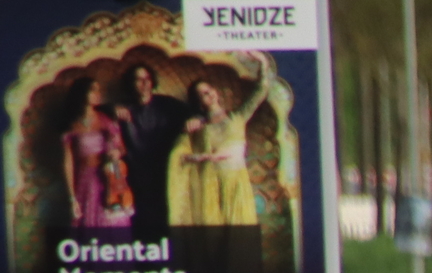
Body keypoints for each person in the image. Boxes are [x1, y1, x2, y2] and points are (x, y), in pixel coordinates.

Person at [170, 53, 272, 227]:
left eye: (208, 90)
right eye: (201, 94)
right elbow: (182, 152)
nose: (207, 94)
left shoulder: (238, 117)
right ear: (199, 102)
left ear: (216, 92)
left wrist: (263, 62)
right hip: (212, 184)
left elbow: (261, 91)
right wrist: (186, 133)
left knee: (239, 228)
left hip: (236, 180)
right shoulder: (199, 126)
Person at [110, 60, 188, 232]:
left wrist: (196, 120)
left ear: (152, 82)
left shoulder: (168, 105)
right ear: (131, 84)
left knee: (166, 222)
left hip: (165, 173)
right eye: (138, 79)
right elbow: (95, 111)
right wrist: (112, 109)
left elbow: (196, 113)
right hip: (135, 176)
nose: (144, 83)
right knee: (140, 224)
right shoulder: (124, 107)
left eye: (147, 78)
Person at [59, 76, 126, 230]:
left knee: (112, 221)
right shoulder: (71, 125)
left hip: (108, 176)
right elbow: (67, 163)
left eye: (99, 90)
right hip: (85, 180)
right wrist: (72, 198)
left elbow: (121, 148)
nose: (98, 94)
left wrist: (116, 153)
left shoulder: (106, 119)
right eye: (93, 90)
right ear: (82, 93)